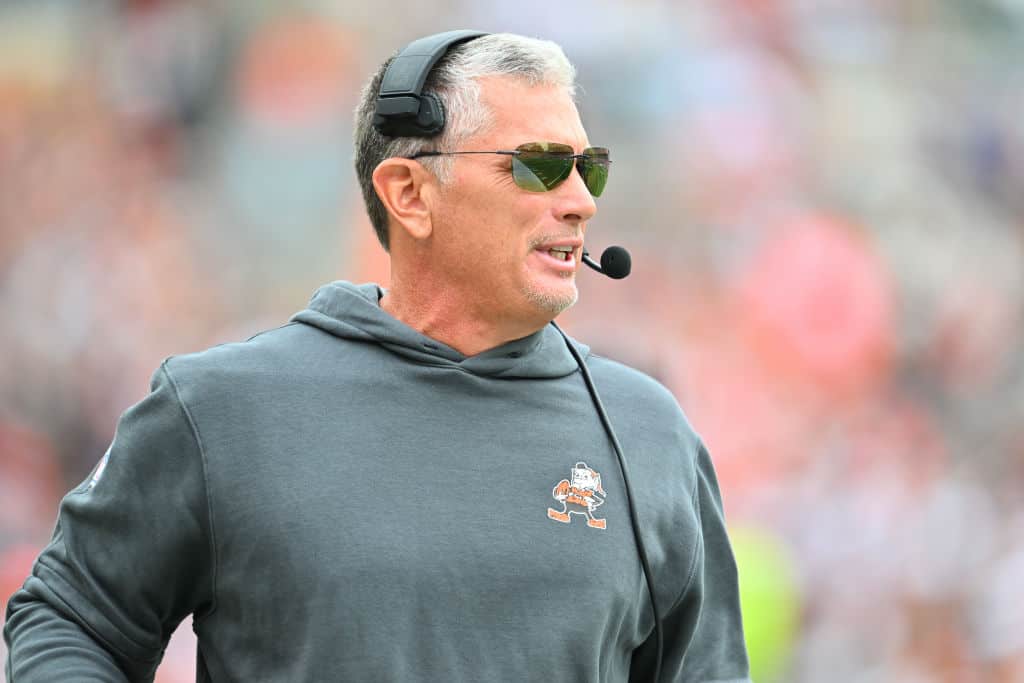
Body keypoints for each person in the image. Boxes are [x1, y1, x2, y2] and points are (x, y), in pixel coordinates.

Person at [4, 32, 750, 682]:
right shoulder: (223, 409)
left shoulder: (649, 432)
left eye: (591, 168)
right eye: (541, 165)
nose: (582, 200)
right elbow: (70, 618)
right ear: (409, 194)